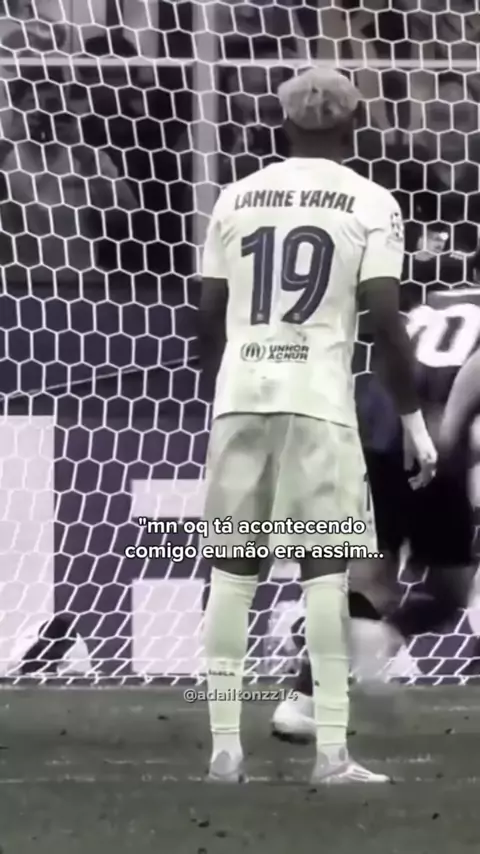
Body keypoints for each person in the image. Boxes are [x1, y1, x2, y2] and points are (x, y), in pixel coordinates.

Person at [198, 66, 437, 785]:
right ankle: (331, 754)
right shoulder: (369, 201)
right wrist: (414, 422)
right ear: (355, 124)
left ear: (282, 122)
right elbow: (386, 322)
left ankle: (224, 751)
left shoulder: (235, 196)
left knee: (232, 578)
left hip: (241, 398)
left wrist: (225, 383)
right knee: (325, 580)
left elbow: (209, 314)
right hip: (319, 406)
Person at [273, 282, 480, 741]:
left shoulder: (440, 300)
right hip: (429, 435)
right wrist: (449, 433)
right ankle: (381, 637)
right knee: (448, 591)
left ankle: (301, 703)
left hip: (375, 427)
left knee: (373, 583)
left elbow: (392, 345)